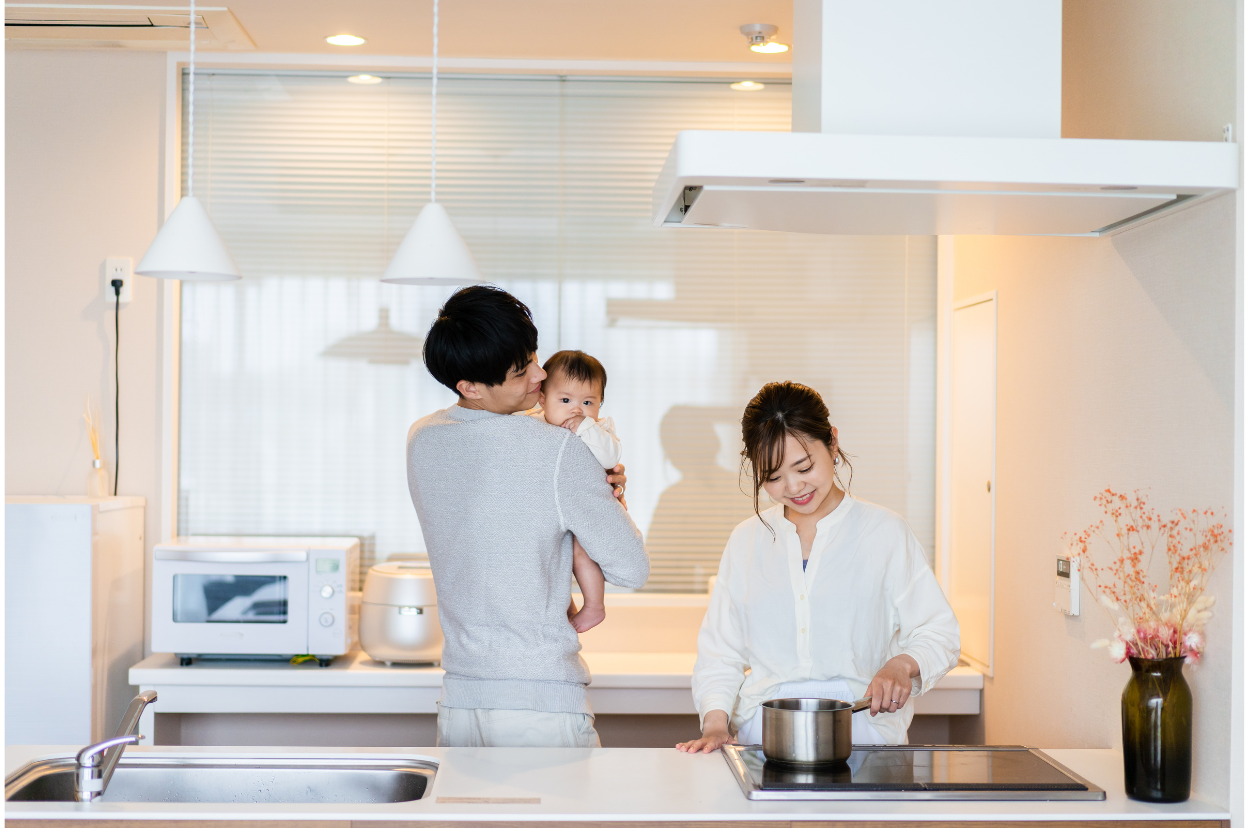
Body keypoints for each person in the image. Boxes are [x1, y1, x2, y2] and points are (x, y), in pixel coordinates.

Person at [407, 286, 649, 748]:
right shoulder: (559, 450)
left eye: (534, 357)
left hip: (460, 701)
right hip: (541, 708)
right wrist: (613, 500)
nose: (541, 374)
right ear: (471, 387)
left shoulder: (421, 440)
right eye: (522, 370)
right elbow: (630, 569)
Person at [677, 381, 959, 753]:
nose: (793, 487)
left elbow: (939, 631)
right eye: (773, 477)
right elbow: (720, 652)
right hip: (762, 738)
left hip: (863, 733)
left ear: (833, 442)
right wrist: (715, 723)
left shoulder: (885, 533)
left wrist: (902, 664)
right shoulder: (746, 541)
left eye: (804, 466)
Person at [526, 350, 622, 633]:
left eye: (588, 402)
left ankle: (594, 606)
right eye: (565, 400)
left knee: (581, 554)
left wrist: (586, 429)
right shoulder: (533, 423)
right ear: (543, 399)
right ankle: (563, 603)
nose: (576, 409)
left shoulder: (599, 429)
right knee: (549, 556)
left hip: (585, 510)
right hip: (548, 511)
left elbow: (609, 458)